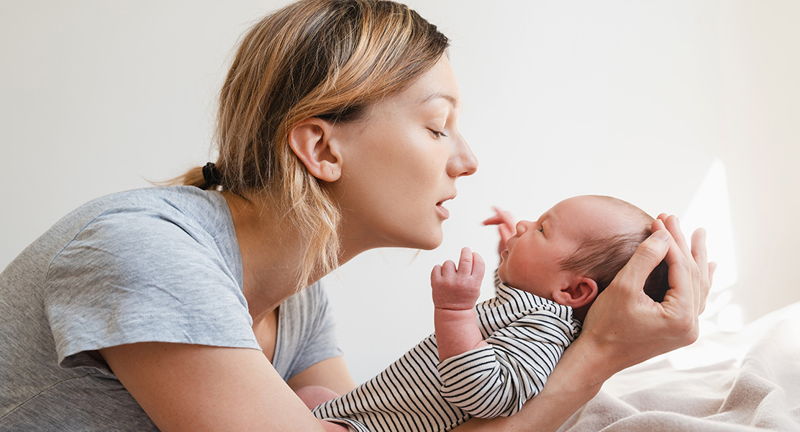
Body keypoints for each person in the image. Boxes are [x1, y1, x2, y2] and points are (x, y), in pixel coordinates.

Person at [0, 1, 713, 431]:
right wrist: (598, 356)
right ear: (320, 146)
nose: (466, 160)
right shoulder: (149, 253)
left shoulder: (297, 297)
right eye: (438, 128)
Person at [302, 195, 671, 432]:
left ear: (573, 291)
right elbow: (506, 313)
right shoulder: (536, 312)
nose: (526, 224)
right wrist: (512, 255)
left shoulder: (546, 331)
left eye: (542, 229)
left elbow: (489, 393)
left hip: (383, 428)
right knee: (313, 395)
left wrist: (454, 311)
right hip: (368, 413)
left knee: (304, 406)